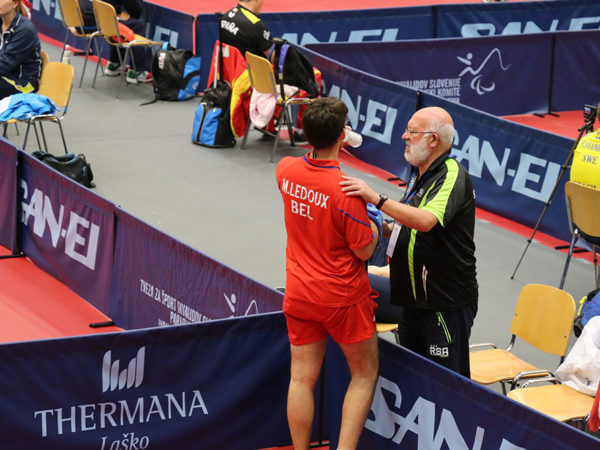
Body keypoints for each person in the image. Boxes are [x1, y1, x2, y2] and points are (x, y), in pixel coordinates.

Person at [340, 106, 478, 378]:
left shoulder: (452, 175)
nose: (404, 136)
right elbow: (407, 224)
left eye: (412, 132)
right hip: (411, 298)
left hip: (442, 303)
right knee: (414, 377)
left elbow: (425, 221)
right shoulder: (420, 173)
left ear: (433, 140)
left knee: (445, 384)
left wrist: (376, 199)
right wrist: (378, 227)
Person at [276, 97, 380, 450]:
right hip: (342, 299)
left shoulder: (285, 170)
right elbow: (364, 250)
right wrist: (375, 226)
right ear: (341, 135)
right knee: (363, 374)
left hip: (299, 294)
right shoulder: (346, 191)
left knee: (301, 379)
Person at [98, 0, 153, 84]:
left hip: (103, 21)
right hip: (113, 21)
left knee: (119, 21)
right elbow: (136, 11)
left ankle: (115, 64)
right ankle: (136, 71)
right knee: (138, 24)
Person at [0, 0, 41, 100]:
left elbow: (4, 65)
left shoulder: (24, 30)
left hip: (24, 83)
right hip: (5, 76)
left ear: (15, 3)